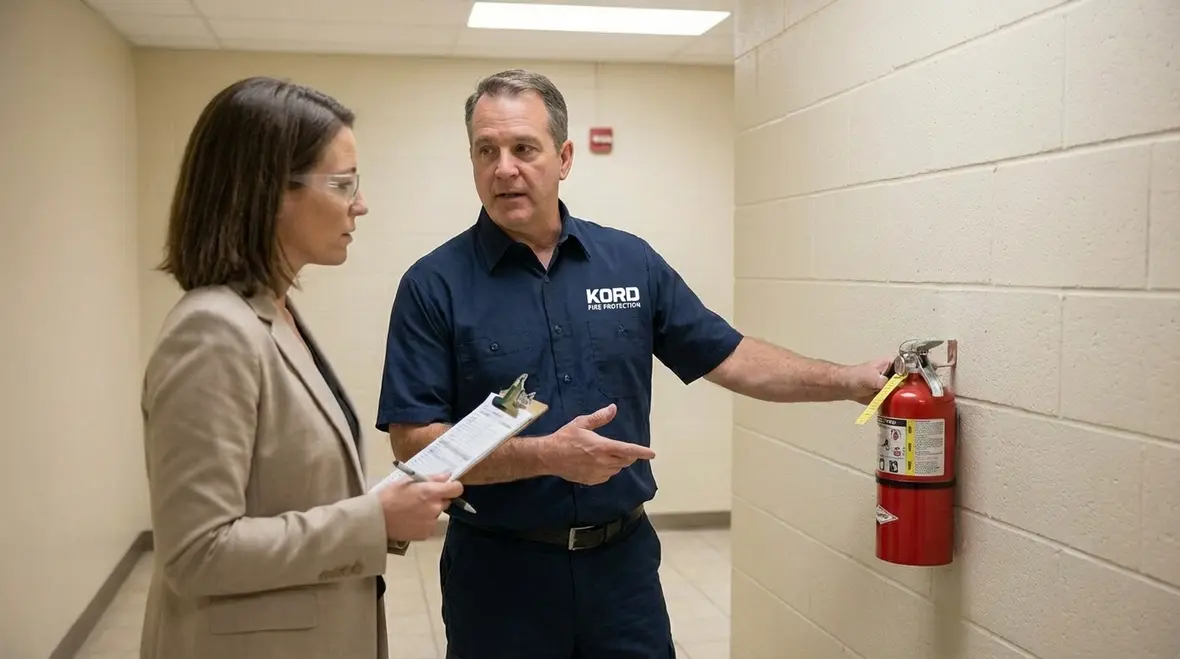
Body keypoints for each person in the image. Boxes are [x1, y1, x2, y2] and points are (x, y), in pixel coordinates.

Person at [375, 68, 892, 659]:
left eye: (524, 148)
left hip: (622, 572)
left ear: (565, 157)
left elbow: (731, 356)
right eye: (486, 151)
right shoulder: (432, 285)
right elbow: (416, 444)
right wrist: (547, 457)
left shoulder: (628, 262)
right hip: (498, 574)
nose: (504, 169)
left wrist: (846, 380)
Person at [140, 76, 463, 659]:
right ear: (268, 194)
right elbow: (195, 553)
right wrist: (372, 519)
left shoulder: (273, 312)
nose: (359, 204)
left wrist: (382, 508)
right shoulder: (212, 330)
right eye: (342, 185)